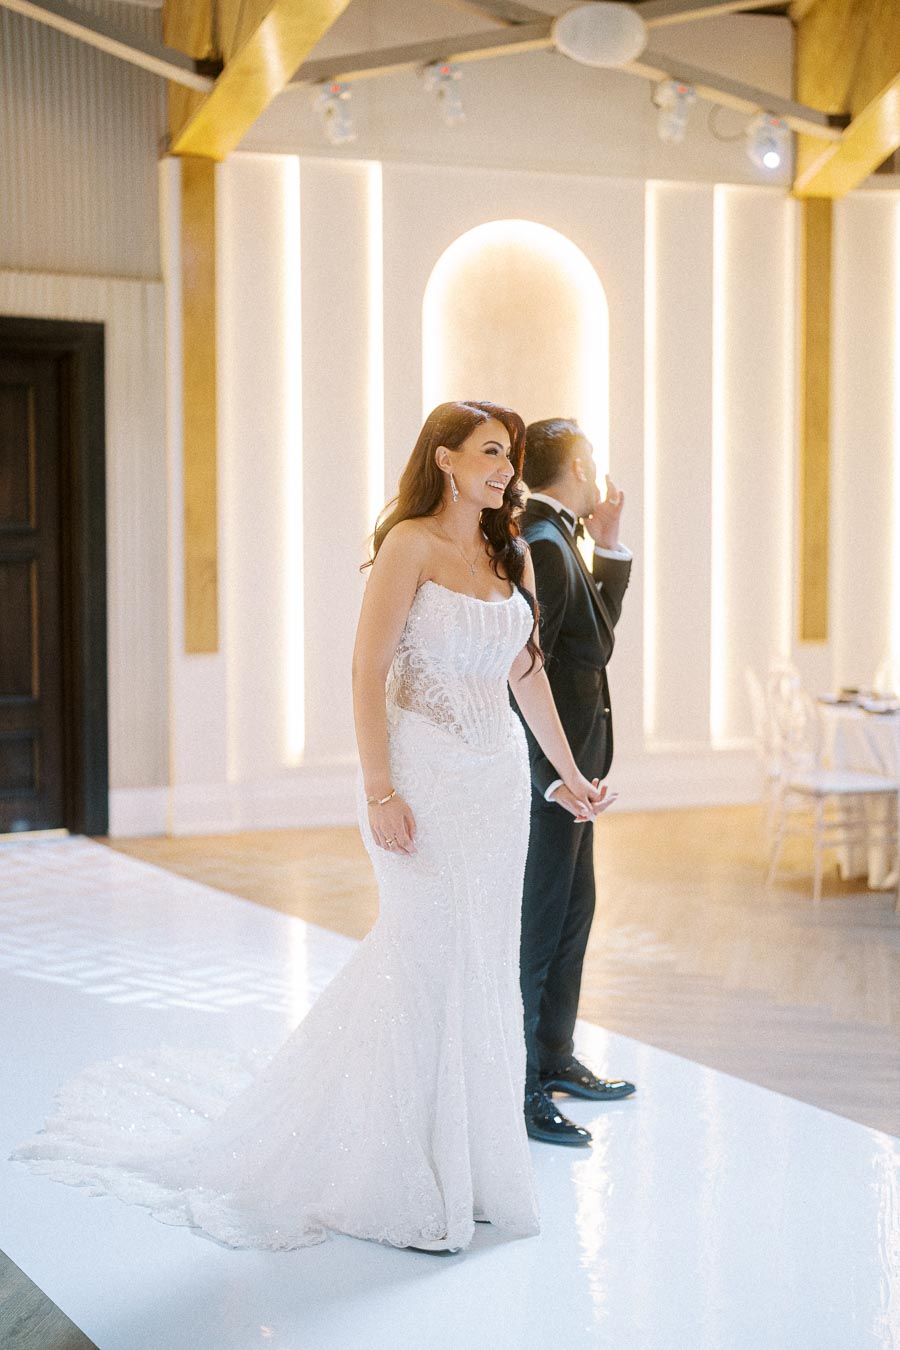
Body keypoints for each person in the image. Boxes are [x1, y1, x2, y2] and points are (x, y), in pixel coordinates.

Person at [12, 401, 613, 1255]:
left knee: (480, 966)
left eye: (510, 456)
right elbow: (366, 672)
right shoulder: (409, 545)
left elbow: (528, 674)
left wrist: (569, 775)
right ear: (443, 459)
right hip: (421, 781)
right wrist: (379, 791)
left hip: (494, 791)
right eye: (489, 453)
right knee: (421, 957)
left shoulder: (504, 548)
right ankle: (393, 1168)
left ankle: (470, 1169)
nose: (504, 469)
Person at [514, 418, 635, 1148]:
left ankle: (554, 1056)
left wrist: (612, 543)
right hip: (552, 780)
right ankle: (521, 1082)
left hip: (575, 773)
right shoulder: (544, 545)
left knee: (572, 913)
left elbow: (598, 640)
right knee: (538, 926)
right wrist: (547, 778)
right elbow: (519, 671)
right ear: (579, 463)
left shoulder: (563, 537)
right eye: (595, 459)